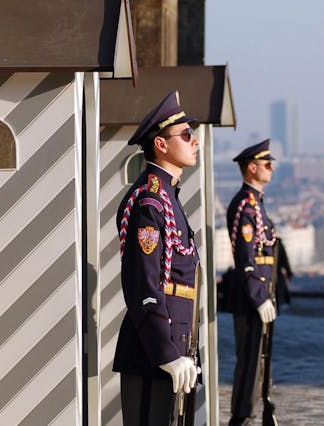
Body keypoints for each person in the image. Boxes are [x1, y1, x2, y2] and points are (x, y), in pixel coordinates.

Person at [113, 91, 201, 426]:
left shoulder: (169, 197)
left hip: (176, 344)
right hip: (155, 351)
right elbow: (144, 283)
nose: (194, 142)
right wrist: (165, 353)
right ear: (161, 145)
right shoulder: (150, 202)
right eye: (185, 135)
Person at [226, 139, 278, 426]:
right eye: (266, 163)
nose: (271, 167)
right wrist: (259, 296)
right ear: (251, 167)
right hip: (250, 295)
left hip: (260, 292)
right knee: (249, 359)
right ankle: (242, 417)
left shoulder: (256, 203)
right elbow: (246, 257)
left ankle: (252, 410)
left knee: (260, 360)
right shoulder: (245, 205)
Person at [275, 238, 294, 308]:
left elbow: (284, 260)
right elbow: (285, 260)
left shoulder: (276, 244)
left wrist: (289, 272)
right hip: (277, 274)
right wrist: (289, 273)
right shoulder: (278, 244)